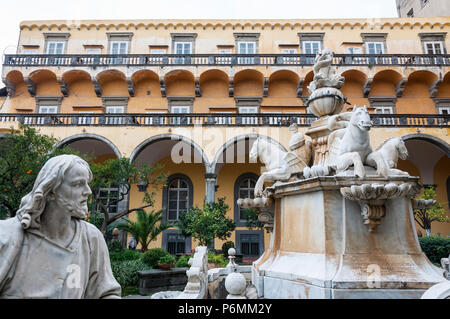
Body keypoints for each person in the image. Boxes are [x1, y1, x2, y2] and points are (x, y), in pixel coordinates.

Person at [0, 154, 121, 298]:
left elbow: (106, 293)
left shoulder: (90, 237)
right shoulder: (7, 235)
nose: (88, 191)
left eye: (87, 183)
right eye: (77, 184)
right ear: (50, 191)